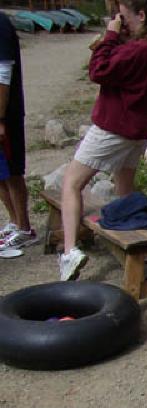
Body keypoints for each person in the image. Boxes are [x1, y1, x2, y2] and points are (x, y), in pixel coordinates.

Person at [58, 0, 147, 281]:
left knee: (71, 183)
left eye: (123, 16)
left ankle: (70, 252)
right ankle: (134, 253)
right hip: (137, 132)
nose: (119, 22)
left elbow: (98, 71)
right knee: (125, 191)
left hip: (113, 128)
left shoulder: (137, 49)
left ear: (141, 15)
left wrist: (109, 36)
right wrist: (118, 37)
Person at [0, 11, 35, 254]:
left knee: (12, 170)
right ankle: (13, 221)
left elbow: (4, 71)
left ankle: (24, 226)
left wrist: (0, 117)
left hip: (6, 112)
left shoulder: (0, 23)